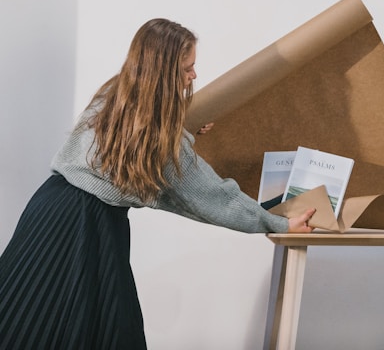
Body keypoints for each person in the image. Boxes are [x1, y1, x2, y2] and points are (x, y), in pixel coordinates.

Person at [0, 18, 315, 349]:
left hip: (49, 206)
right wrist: (280, 222)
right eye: (187, 69)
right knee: (102, 327)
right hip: (88, 225)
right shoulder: (162, 140)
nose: (194, 76)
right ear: (164, 72)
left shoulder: (114, 93)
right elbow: (213, 197)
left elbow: (128, 139)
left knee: (28, 313)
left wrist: (182, 119)